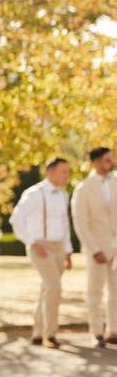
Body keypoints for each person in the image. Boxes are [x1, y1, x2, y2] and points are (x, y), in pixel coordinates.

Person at [10, 157, 73, 348]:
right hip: (40, 247)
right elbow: (16, 219)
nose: (67, 176)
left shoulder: (63, 195)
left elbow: (65, 224)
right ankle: (50, 335)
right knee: (54, 287)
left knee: (47, 288)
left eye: (67, 172)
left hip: (59, 247)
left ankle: (38, 332)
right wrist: (31, 242)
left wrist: (68, 252)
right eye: (63, 171)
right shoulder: (34, 194)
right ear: (50, 172)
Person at [71, 147, 117, 348]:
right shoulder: (83, 188)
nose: (111, 163)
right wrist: (95, 248)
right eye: (107, 160)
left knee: (116, 291)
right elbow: (80, 222)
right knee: (95, 292)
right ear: (96, 162)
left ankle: (113, 331)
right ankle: (97, 332)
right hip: (96, 247)